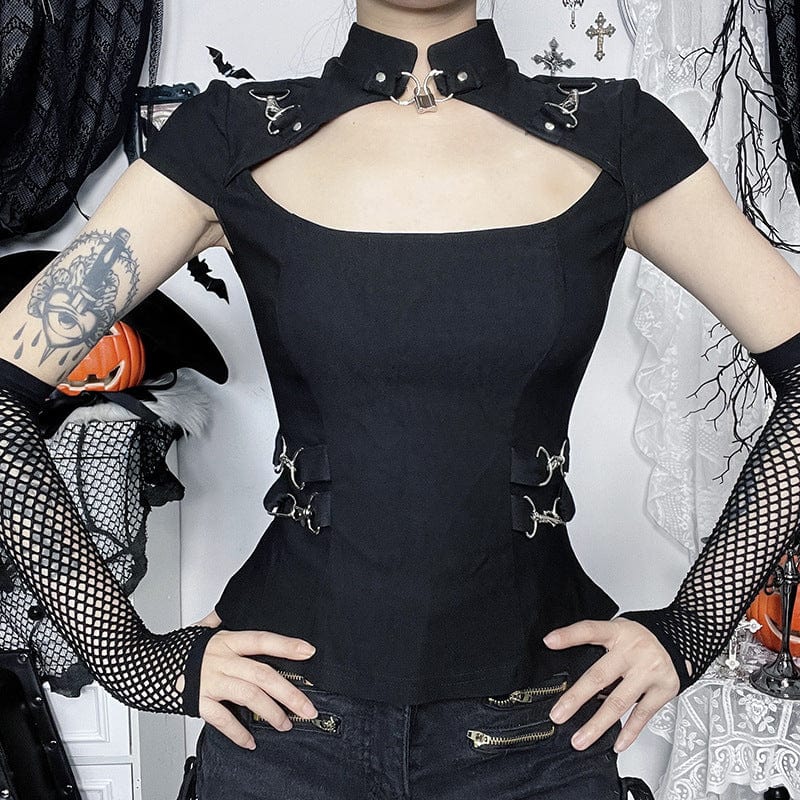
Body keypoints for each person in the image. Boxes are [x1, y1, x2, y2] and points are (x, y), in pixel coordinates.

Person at [1, 0, 799, 797]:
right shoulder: (227, 136)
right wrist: (127, 655)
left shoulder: (617, 132)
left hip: (537, 734)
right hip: (283, 733)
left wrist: (693, 626)